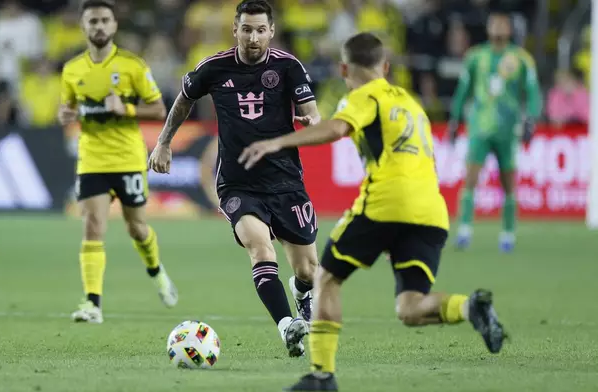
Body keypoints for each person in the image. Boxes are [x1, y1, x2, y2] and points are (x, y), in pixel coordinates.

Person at [239, 32, 507, 391]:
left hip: (387, 202)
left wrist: (277, 141)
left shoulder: (365, 95)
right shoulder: (411, 104)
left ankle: (322, 376)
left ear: (344, 68)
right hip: (431, 211)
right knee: (410, 308)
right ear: (386, 66)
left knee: (325, 279)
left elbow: (336, 128)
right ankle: (469, 307)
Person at [149, 0, 321, 357]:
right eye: (247, 29)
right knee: (260, 248)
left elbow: (312, 114)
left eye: (260, 30)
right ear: (235, 30)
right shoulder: (214, 68)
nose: (253, 37)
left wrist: (309, 122)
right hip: (237, 183)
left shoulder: (288, 67)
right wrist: (163, 142)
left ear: (271, 31)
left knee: (308, 269)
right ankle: (287, 325)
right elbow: (183, 100)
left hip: (285, 180)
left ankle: (302, 292)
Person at [57, 0, 178, 324]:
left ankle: (157, 272)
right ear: (83, 27)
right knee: (93, 225)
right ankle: (92, 303)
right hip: (92, 159)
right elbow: (68, 109)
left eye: (104, 20)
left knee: (137, 228)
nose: (98, 26)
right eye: (92, 21)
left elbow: (158, 109)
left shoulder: (132, 66)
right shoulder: (72, 70)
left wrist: (126, 109)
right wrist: (64, 114)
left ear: (114, 26)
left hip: (127, 158)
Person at [448, 11, 542, 253]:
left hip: (508, 129)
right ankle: (465, 231)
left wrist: (531, 119)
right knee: (470, 178)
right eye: (495, 23)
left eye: (503, 24)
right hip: (479, 127)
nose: (499, 27)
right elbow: (463, 90)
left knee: (509, 183)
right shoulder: (475, 57)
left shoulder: (521, 59)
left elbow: (532, 92)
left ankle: (508, 234)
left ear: (509, 29)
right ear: (488, 28)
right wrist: (455, 119)